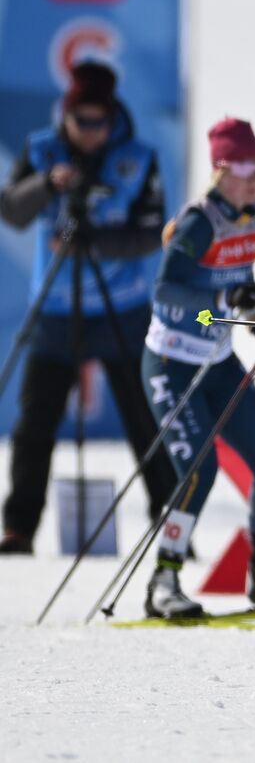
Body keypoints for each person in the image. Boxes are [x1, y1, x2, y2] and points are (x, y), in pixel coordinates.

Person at [140, 118, 255, 618]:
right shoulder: (199, 222)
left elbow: (239, 286)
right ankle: (165, 577)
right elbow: (165, 294)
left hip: (218, 361)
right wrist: (224, 298)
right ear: (220, 169)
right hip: (171, 362)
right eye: (244, 169)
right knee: (199, 469)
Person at [0, 61, 177, 555]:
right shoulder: (43, 149)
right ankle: (18, 528)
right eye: (81, 120)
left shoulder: (139, 158)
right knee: (35, 422)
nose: (90, 132)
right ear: (67, 114)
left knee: (144, 417)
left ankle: (168, 519)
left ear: (113, 115)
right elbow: (11, 211)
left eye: (99, 121)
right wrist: (46, 186)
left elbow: (150, 234)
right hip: (56, 310)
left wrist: (92, 243)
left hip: (122, 309)